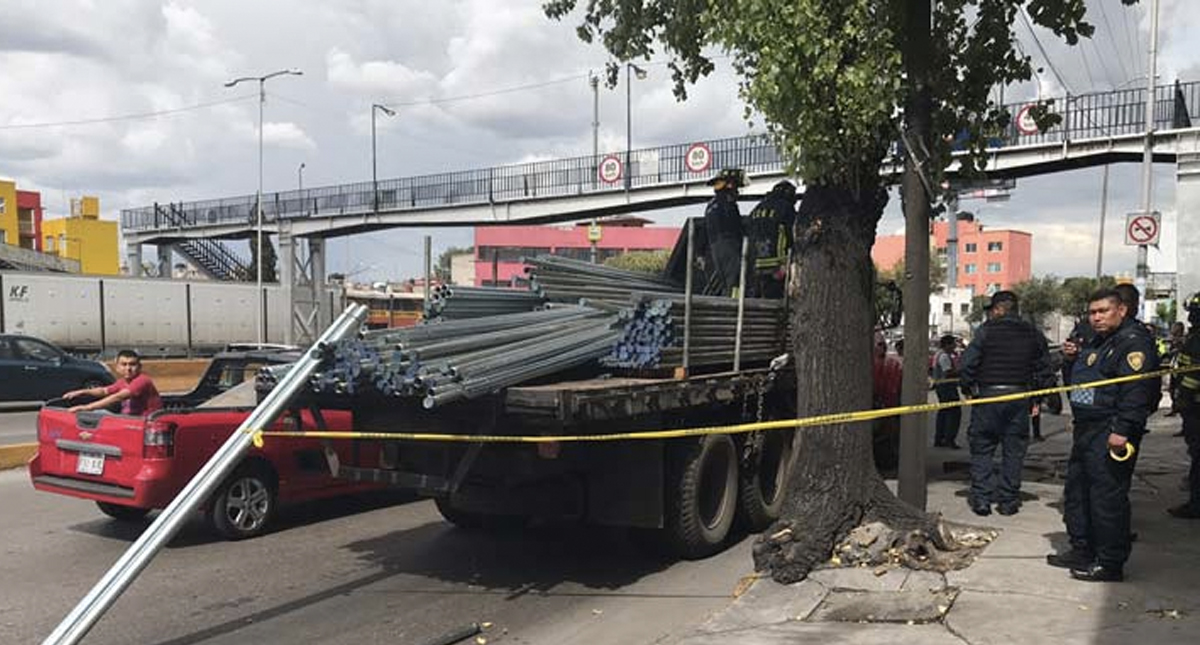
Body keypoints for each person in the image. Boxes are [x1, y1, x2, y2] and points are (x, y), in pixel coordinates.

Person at [1048, 288, 1158, 582]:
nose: (1095, 318)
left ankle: (1110, 562)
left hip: (1109, 430)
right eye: (1092, 312)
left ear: (1121, 310)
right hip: (1087, 428)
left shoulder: (1133, 344)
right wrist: (1071, 361)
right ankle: (1082, 548)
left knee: (1106, 498)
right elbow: (1081, 383)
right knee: (1078, 492)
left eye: (1102, 311)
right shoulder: (1097, 341)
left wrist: (1122, 430)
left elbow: (1137, 392)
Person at [959, 290, 1052, 517]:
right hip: (1019, 398)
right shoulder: (1032, 333)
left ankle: (982, 499)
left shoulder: (986, 332)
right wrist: (1037, 398)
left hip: (988, 397)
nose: (990, 314)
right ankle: (1008, 501)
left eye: (992, 310)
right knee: (1014, 451)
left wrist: (968, 388)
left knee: (982, 448)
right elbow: (1044, 369)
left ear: (999, 309)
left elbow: (967, 364)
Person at [1168, 293, 1200, 519]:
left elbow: (1193, 375)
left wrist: (1184, 396)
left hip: (1196, 405)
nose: (1191, 317)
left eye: (1194, 313)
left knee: (1198, 454)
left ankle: (1196, 503)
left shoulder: (1197, 339)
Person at [63, 349, 163, 415]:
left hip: (145, 423)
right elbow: (104, 391)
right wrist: (81, 392)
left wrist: (87, 407)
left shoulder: (142, 380)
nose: (128, 368)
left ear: (139, 367)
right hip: (129, 420)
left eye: (132, 364)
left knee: (98, 415)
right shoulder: (122, 382)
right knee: (98, 414)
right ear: (117, 367)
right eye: (124, 364)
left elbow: (118, 397)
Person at [746, 180, 796, 299]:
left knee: (758, 301)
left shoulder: (756, 209)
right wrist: (787, 262)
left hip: (756, 264)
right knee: (776, 301)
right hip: (777, 264)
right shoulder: (786, 208)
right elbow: (790, 235)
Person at [703, 168, 747, 297]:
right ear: (729, 186)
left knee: (725, 281)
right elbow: (736, 226)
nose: (737, 192)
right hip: (729, 244)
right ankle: (735, 306)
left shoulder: (711, 205)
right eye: (736, 188)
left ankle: (728, 302)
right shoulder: (728, 203)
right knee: (735, 279)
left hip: (714, 247)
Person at [932, 334, 962, 449]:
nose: (955, 346)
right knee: (953, 413)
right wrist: (961, 371)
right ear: (947, 345)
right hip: (946, 387)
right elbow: (948, 372)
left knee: (944, 413)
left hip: (942, 386)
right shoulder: (944, 356)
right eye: (953, 343)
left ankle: (940, 438)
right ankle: (949, 439)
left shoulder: (940, 354)